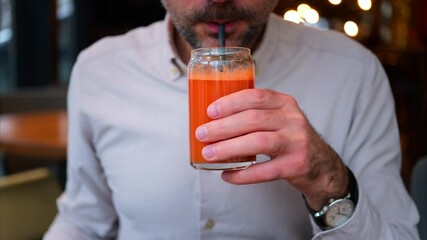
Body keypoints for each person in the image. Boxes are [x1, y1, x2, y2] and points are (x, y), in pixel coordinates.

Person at [44, 0, 421, 239]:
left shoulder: (353, 71)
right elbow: (85, 220)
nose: (219, 0)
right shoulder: (100, 70)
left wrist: (328, 180)